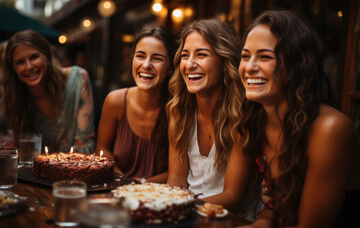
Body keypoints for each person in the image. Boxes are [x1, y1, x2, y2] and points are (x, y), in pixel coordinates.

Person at [237, 10, 360, 227]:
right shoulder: (257, 121)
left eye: (265, 57)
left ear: (298, 64)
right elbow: (277, 205)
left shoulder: (330, 129)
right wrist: (260, 224)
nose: (249, 67)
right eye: (246, 56)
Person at [166, 19, 261, 221]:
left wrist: (177, 205)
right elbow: (176, 179)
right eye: (185, 56)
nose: (190, 64)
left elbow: (233, 197)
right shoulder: (178, 111)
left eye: (201, 55)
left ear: (224, 61)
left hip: (232, 220)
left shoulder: (241, 116)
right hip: (187, 216)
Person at [96, 27, 177, 183]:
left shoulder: (176, 109)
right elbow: (102, 149)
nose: (146, 65)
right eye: (140, 56)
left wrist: (140, 185)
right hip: (115, 189)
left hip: (161, 197)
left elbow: (179, 172)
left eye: (157, 58)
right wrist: (123, 181)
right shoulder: (115, 101)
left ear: (170, 68)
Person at [3, 30, 95, 153]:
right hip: (36, 170)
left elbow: (84, 145)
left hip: (78, 167)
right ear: (13, 68)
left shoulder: (78, 78)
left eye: (34, 57)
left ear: (47, 56)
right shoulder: (14, 97)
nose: (29, 66)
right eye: (20, 62)